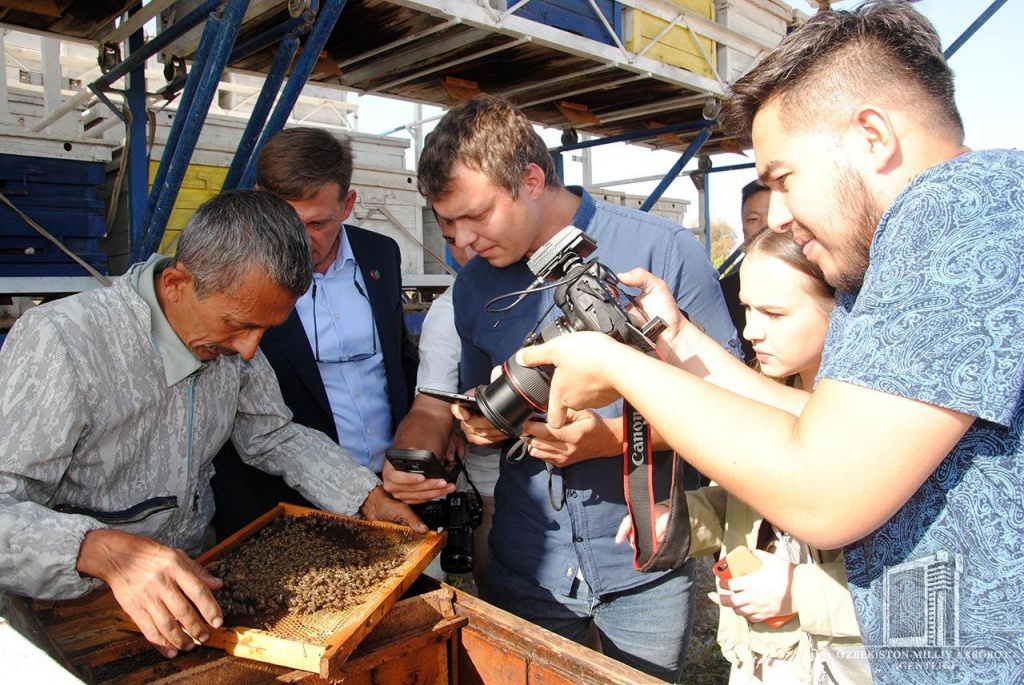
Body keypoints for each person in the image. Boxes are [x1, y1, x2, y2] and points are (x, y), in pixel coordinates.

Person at [518, 2, 1024, 681]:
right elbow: (824, 429)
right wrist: (676, 338)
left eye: (785, 178)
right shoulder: (900, 246)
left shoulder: (957, 213)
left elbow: (821, 489)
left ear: (872, 135)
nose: (779, 214)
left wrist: (616, 364)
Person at [0, 190, 423, 660]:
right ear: (178, 282)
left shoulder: (232, 339)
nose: (247, 350)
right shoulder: (60, 341)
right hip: (72, 616)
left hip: (197, 597)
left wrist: (364, 495)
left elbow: (272, 433)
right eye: (238, 325)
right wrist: (100, 551)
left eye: (265, 330)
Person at [412, 94, 739, 681]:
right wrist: (482, 423)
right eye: (446, 223)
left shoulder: (661, 255)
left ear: (531, 179)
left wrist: (610, 439)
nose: (462, 243)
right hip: (528, 560)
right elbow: (477, 403)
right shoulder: (473, 285)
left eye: (477, 216)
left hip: (642, 560)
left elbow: (734, 413)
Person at [625, 228, 869, 684]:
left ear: (843, 307)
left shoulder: (899, 431)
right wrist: (681, 519)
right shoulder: (771, 391)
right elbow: (744, 501)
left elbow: (938, 593)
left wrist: (802, 593)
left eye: (774, 313)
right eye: (748, 308)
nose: (751, 330)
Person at [212, 127, 418, 538]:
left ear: (348, 204)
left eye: (318, 222)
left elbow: (398, 356)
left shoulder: (381, 254)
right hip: (288, 501)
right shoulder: (232, 272)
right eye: (286, 219)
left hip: (391, 482)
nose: (301, 239)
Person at [719, 180, 770, 364]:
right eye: (753, 219)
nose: (765, 227)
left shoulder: (822, 285)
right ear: (742, 227)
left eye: (773, 215)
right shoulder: (721, 294)